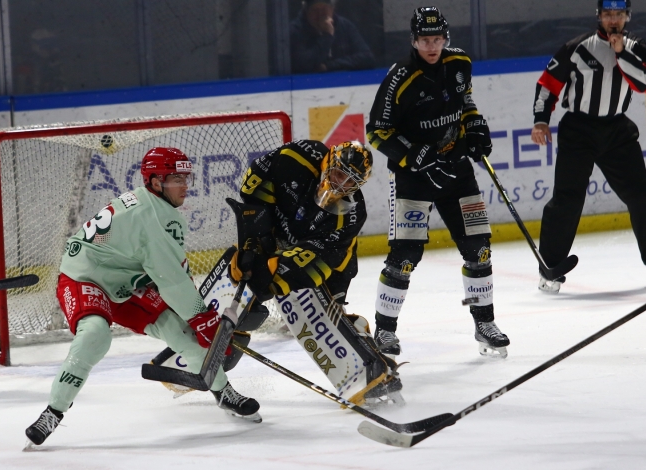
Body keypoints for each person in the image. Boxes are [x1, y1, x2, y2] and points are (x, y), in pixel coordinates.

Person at [24, 147, 261, 447]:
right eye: (176, 179)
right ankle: (53, 412)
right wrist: (202, 317)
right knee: (94, 335)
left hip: (126, 281)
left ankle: (223, 392)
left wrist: (195, 319)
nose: (185, 185)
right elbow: (171, 279)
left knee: (182, 333)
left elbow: (171, 272)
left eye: (185, 178)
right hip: (85, 278)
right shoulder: (153, 217)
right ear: (156, 182)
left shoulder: (155, 207)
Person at [365, 7, 510, 358]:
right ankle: (384, 331)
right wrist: (411, 155)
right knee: (405, 256)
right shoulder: (400, 78)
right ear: (414, 41)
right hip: (413, 178)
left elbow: (466, 102)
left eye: (437, 39)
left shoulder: (460, 63)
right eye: (425, 40)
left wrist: (474, 125)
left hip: (457, 172)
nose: (432, 46)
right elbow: (377, 132)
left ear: (446, 38)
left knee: (479, 249)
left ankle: (484, 323)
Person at [230, 140, 404, 403]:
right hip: (282, 234)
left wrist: (278, 269)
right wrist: (255, 239)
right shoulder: (296, 158)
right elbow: (256, 185)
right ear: (328, 163)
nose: (342, 185)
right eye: (339, 174)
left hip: (334, 265)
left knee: (326, 316)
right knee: (248, 272)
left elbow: (318, 257)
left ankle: (374, 368)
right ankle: (212, 342)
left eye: (351, 181)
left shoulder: (352, 214)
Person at [531, 0, 646, 294]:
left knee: (642, 196)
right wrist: (541, 121)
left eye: (619, 14)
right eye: (608, 14)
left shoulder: (636, 48)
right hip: (579, 131)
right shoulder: (578, 47)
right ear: (599, 16)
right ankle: (550, 268)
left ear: (627, 17)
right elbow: (548, 84)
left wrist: (621, 52)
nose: (613, 20)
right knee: (567, 199)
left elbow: (645, 83)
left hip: (617, 131)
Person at [290, 0, 374, 74]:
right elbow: (305, 66)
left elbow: (367, 58)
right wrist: (327, 36)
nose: (320, 15)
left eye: (324, 9)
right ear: (306, 11)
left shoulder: (345, 26)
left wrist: (329, 66)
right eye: (315, 10)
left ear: (332, 9)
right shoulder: (295, 31)